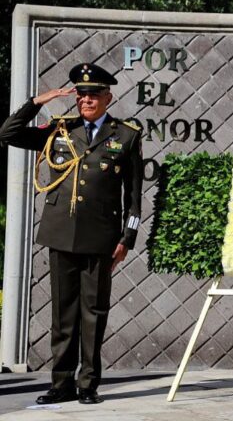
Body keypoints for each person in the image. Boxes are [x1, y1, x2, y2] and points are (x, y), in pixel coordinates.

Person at [0, 63, 143, 405]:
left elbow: (134, 196)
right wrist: (37, 101)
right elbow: (8, 133)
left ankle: (88, 384)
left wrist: (128, 238)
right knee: (63, 314)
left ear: (108, 97)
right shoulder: (60, 130)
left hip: (101, 238)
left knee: (94, 312)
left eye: (94, 94)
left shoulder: (126, 134)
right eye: (81, 94)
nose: (86, 100)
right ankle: (61, 383)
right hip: (61, 233)